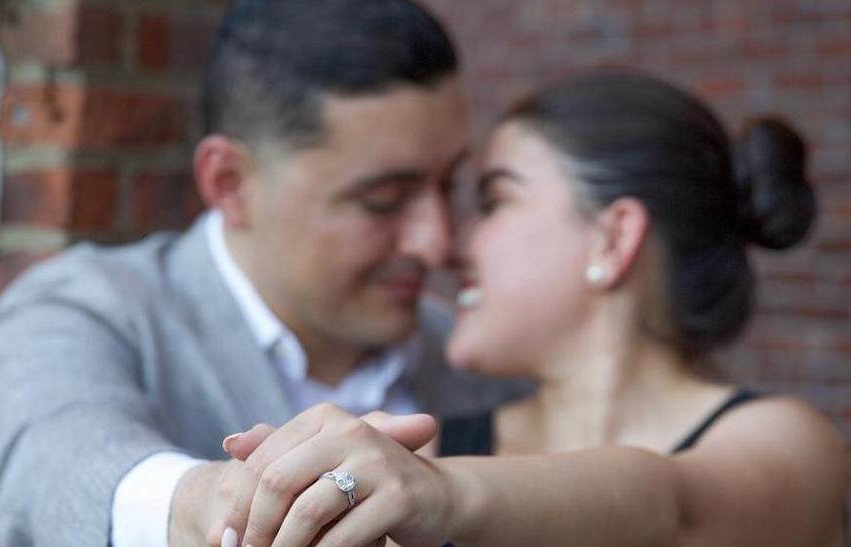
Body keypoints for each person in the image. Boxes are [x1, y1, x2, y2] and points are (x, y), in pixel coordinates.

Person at [0, 1, 524, 545]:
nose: (436, 242)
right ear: (230, 183)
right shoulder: (88, 311)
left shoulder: (479, 362)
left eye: (449, 185)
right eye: (384, 200)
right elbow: (56, 462)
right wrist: (216, 506)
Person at [216, 70, 847, 547]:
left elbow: (671, 509)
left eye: (495, 200)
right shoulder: (427, 457)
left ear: (613, 238)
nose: (449, 244)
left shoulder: (790, 444)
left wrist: (447, 494)